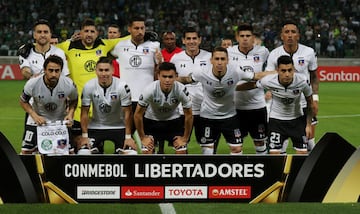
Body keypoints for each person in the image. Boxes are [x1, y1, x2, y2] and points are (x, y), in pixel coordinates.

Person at [178, 47, 273, 155]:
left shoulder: (236, 71)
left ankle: (235, 172)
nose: (219, 62)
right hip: (208, 117)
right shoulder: (201, 72)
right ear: (211, 60)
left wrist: (276, 72)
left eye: (222, 59)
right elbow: (186, 80)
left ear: (227, 60)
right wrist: (170, 80)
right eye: (217, 59)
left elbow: (255, 76)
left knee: (237, 149)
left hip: (230, 116)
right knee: (207, 151)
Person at [57, 18, 129, 152]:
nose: (89, 34)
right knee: (78, 145)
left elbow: (124, 39)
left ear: (97, 34)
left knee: (97, 147)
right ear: (80, 33)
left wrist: (147, 35)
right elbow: (50, 45)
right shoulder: (69, 46)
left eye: (92, 31)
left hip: (98, 109)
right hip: (78, 108)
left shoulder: (103, 44)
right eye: (86, 31)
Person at [237, 55, 314, 154]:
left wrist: (308, 125)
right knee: (274, 155)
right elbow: (252, 85)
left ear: (293, 69)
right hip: (276, 122)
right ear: (277, 70)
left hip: (297, 120)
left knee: (302, 154)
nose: (287, 74)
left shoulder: (302, 81)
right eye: (283, 71)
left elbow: (310, 103)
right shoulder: (268, 80)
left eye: (290, 70)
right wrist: (233, 88)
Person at [265, 20, 319, 153]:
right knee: (280, 144)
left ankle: (312, 169)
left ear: (298, 35)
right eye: (287, 32)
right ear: (281, 35)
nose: (290, 35)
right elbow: (267, 76)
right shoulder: (274, 54)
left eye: (293, 32)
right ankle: (282, 172)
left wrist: (315, 98)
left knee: (309, 139)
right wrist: (269, 90)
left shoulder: (309, 52)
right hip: (282, 103)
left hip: (303, 103)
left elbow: (314, 76)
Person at [110, 16, 162, 143]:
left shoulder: (154, 46)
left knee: (148, 138)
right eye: (136, 28)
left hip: (147, 98)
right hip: (126, 98)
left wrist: (159, 62)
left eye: (142, 28)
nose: (140, 31)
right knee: (126, 137)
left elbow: (160, 72)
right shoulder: (120, 46)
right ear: (129, 29)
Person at [19, 55, 78, 154]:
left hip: (60, 122)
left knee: (70, 153)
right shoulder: (32, 83)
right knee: (26, 152)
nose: (54, 74)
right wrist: (34, 115)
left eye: (57, 71)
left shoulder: (69, 84)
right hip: (36, 120)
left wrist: (70, 113)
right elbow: (23, 101)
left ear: (61, 71)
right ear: (44, 70)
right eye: (50, 70)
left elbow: (74, 100)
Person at [80, 57, 137, 154]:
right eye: (100, 70)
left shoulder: (122, 86)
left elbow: (128, 113)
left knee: (131, 153)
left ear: (112, 70)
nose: (103, 74)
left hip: (119, 126)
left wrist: (128, 137)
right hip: (96, 126)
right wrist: (85, 136)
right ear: (96, 71)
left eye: (106, 70)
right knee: (83, 153)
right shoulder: (89, 86)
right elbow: (84, 112)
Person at [227, 23, 269, 154]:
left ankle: (263, 173)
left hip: (257, 106)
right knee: (236, 147)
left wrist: (271, 90)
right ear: (237, 37)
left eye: (248, 36)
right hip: (235, 107)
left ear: (253, 37)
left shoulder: (263, 51)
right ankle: (236, 174)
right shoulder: (229, 52)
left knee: (260, 143)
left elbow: (272, 72)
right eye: (242, 36)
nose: (245, 38)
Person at [134, 62, 193, 154]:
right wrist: (142, 138)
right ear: (158, 76)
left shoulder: (181, 90)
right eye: (164, 76)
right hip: (152, 122)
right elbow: (138, 114)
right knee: (147, 153)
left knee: (182, 151)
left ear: (176, 76)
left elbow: (189, 115)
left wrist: (185, 138)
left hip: (173, 122)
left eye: (170, 77)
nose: (167, 80)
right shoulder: (149, 90)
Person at [170, 27, 211, 148]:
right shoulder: (176, 58)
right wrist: (185, 79)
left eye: (194, 38)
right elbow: (170, 79)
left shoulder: (209, 57)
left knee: (207, 145)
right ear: (183, 40)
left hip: (205, 109)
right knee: (181, 145)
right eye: (188, 38)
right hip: (182, 109)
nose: (191, 41)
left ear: (199, 40)